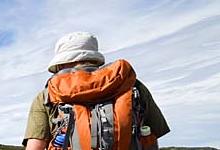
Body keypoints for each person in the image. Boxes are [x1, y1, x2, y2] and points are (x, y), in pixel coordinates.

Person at [22, 32, 170, 150]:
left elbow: (35, 146)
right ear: (95, 58)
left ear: (60, 64)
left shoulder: (48, 95)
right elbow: (151, 136)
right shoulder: (132, 84)